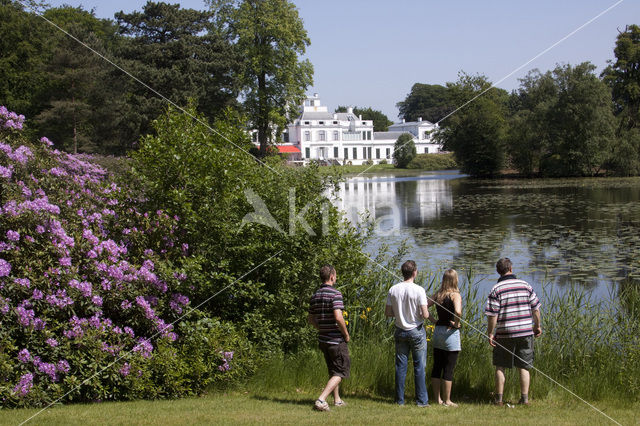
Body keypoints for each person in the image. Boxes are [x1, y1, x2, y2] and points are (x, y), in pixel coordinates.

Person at [485, 258, 542, 406]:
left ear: (498, 271)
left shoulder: (496, 289)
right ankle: (524, 399)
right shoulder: (525, 285)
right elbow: (535, 309)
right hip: (525, 331)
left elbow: (493, 315)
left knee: (500, 365)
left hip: (505, 333)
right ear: (511, 268)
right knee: (523, 366)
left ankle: (499, 400)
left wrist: (490, 333)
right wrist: (537, 326)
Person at [385, 260, 431, 407]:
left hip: (400, 331)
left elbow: (388, 312)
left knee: (400, 366)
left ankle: (400, 400)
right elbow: (425, 314)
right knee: (419, 366)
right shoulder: (419, 290)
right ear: (414, 272)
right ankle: (422, 401)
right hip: (416, 331)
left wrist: (400, 314)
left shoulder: (393, 289)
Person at [308, 265, 350, 411]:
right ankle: (321, 399)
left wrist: (321, 328)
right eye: (336, 276)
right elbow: (338, 317)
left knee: (333, 370)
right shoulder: (335, 294)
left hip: (323, 340)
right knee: (341, 371)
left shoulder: (315, 295)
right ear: (332, 277)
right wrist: (346, 334)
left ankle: (337, 400)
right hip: (335, 340)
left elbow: (311, 319)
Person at [428, 268, 462, 407]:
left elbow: (423, 307)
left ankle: (437, 399)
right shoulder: (455, 295)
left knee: (437, 366)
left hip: (438, 332)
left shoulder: (438, 294)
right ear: (455, 280)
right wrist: (457, 323)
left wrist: (433, 320)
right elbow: (458, 311)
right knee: (448, 367)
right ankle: (447, 400)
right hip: (450, 333)